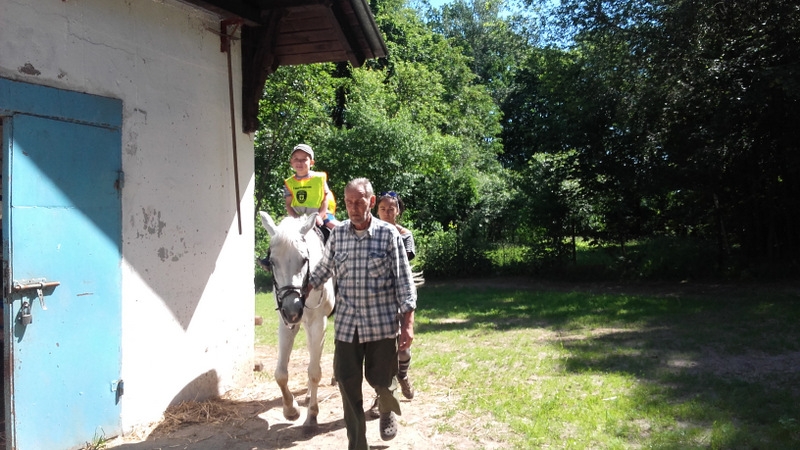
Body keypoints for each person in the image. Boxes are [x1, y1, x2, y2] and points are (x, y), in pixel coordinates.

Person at [306, 178, 417, 449]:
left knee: (383, 381)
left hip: (381, 326)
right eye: (348, 202)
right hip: (347, 327)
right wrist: (299, 290)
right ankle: (357, 444)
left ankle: (387, 407)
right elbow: (322, 270)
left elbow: (404, 281)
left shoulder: (388, 235)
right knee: (347, 384)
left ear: (371, 201)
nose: (353, 208)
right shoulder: (339, 235)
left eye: (359, 201)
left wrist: (408, 324)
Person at [367, 191, 416, 418]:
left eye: (391, 209)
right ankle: (382, 397)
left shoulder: (405, 235)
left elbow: (404, 259)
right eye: (383, 209)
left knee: (402, 348)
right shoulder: (369, 233)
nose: (387, 212)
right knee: (381, 351)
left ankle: (403, 375)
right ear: (377, 210)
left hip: (399, 295)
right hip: (376, 298)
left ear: (398, 211)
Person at [283, 143, 341, 235]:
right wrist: (295, 218)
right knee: (280, 234)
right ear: (291, 162)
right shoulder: (289, 182)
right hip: (299, 217)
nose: (299, 162)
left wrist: (320, 216)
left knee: (338, 228)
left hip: (321, 214)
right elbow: (288, 204)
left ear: (311, 162)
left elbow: (325, 200)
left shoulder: (319, 178)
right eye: (296, 159)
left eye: (304, 159)